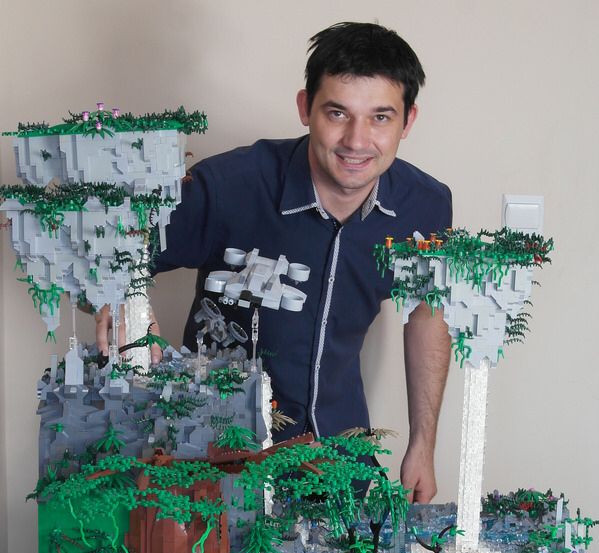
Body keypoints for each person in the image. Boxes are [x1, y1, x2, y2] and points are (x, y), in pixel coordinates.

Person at [97, 22, 452, 501]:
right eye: (337, 113)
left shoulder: (424, 206)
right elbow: (110, 256)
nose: (356, 139)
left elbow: (426, 316)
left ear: (408, 121)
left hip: (340, 458)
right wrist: (118, 301)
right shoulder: (230, 184)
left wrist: (422, 444)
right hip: (214, 457)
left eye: (381, 118)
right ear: (305, 108)